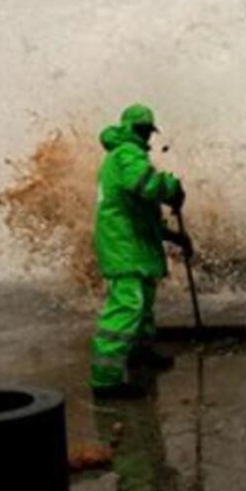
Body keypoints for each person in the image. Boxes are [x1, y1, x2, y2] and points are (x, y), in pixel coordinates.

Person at [89, 103, 193, 399]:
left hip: (132, 242)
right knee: (127, 306)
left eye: (149, 131)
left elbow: (143, 211)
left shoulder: (125, 155)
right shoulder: (126, 153)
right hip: (123, 244)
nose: (147, 136)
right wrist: (172, 187)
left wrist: (173, 236)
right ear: (130, 129)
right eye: (143, 130)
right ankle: (105, 380)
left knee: (143, 303)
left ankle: (140, 353)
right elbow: (146, 185)